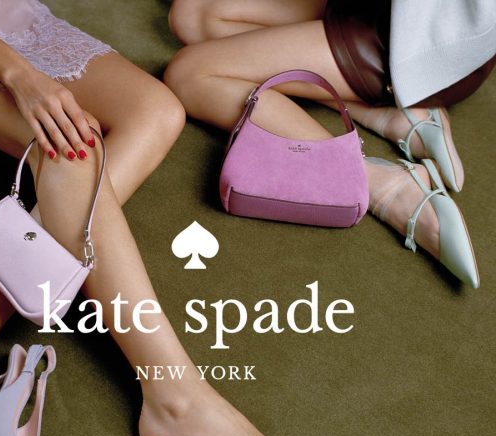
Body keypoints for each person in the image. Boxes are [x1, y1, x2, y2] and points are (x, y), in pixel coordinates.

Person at [0, 0, 323, 436]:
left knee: (156, 110)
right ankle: (176, 396)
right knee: (70, 148)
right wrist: (23, 77)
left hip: (5, 8)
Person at [164, 0, 495, 287]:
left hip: (410, 38)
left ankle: (383, 184)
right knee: (193, 15)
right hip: (386, 12)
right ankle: (392, 112)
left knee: (189, 75)